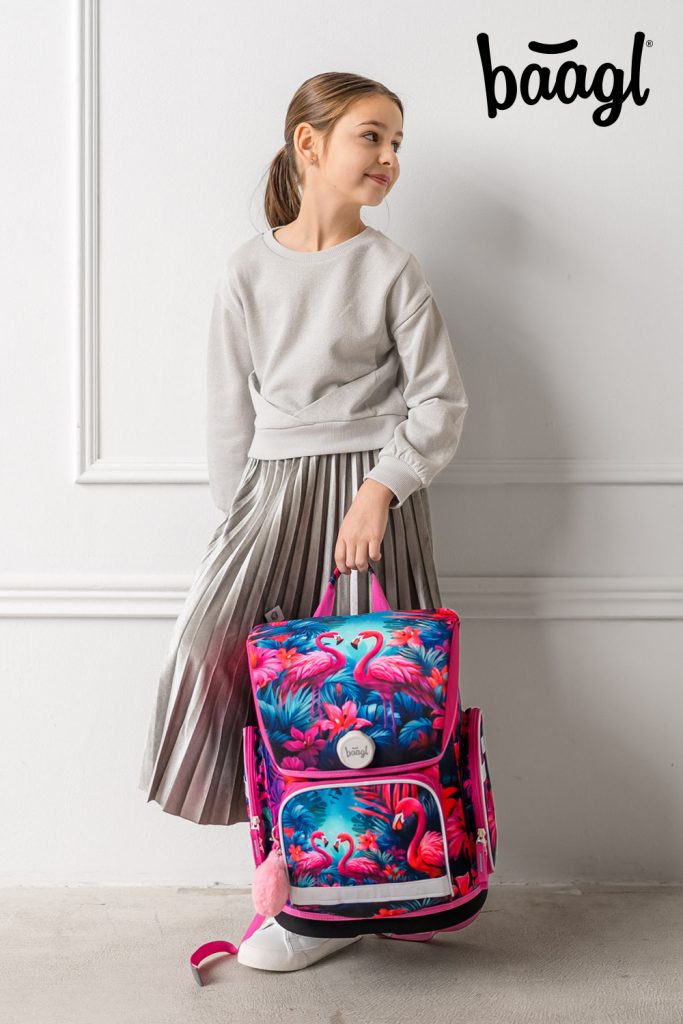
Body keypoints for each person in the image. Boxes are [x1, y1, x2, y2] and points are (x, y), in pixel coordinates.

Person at [138, 70, 469, 972]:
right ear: (308, 143)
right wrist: (241, 520)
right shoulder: (247, 270)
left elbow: (439, 402)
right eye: (372, 136)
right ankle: (294, 880)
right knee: (225, 668)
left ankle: (352, 899)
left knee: (363, 703)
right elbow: (226, 414)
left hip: (371, 503)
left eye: (397, 142)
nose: (389, 157)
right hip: (271, 498)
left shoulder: (390, 268)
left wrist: (380, 488)